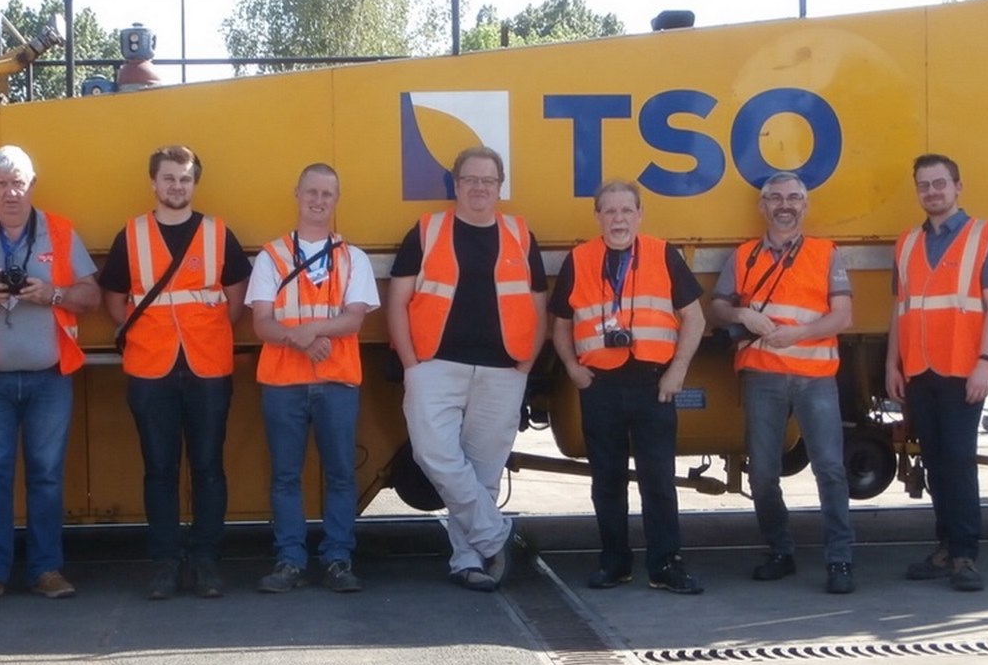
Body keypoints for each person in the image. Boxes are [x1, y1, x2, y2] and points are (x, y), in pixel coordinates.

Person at [0, 145, 100, 603]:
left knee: (46, 475)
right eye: (2, 184)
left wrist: (51, 295)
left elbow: (90, 297)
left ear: (33, 184)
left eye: (19, 183)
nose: (11, 193)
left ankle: (46, 569)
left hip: (50, 376)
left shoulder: (60, 231)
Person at [385, 146, 547, 592]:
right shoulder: (427, 230)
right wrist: (411, 364)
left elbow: (539, 307)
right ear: (456, 185)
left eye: (488, 180)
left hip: (503, 370)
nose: (479, 188)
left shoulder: (519, 234)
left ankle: (470, 561)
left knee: (483, 472)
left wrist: (525, 365)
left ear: (499, 187)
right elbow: (397, 301)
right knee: (432, 454)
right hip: (435, 365)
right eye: (471, 180)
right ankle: (496, 535)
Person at [99, 145, 251, 599]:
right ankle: (165, 562)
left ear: (194, 183)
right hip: (151, 367)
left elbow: (237, 292)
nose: (177, 186)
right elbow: (113, 296)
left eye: (185, 179)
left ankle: (205, 562)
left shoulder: (218, 233)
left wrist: (213, 331)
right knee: (159, 469)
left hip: (208, 366)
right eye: (168, 178)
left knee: (208, 468)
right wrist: (139, 332)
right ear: (154, 182)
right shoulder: (132, 235)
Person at [550, 179, 706, 594]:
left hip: (654, 384)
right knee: (607, 479)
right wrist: (572, 368)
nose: (618, 219)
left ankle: (665, 565)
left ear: (640, 214)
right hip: (600, 384)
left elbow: (695, 318)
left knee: (659, 480)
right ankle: (614, 562)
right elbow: (560, 324)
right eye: (610, 211)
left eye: (626, 211)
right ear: (598, 216)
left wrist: (678, 371)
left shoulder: (663, 254)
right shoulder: (579, 259)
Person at [710, 172, 855, 594]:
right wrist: (741, 314)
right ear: (763, 206)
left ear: (804, 205)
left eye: (793, 197)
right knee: (762, 474)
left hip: (815, 378)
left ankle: (840, 559)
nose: (784, 205)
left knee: (830, 469)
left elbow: (843, 316)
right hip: (763, 376)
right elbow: (717, 307)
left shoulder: (826, 253)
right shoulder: (744, 257)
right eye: (775, 198)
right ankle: (780, 551)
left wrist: (798, 334)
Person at [247, 163, 379, 593]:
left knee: (341, 474)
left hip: (337, 382)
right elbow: (261, 323)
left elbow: (354, 319)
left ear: (336, 200)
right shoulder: (271, 256)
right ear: (298, 194)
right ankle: (290, 560)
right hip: (283, 384)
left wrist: (308, 332)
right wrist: (304, 341)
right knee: (286, 476)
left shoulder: (353, 258)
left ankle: (338, 559)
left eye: (327, 194)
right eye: (312, 192)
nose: (319, 201)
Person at [886, 153, 988, 592]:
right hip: (919, 370)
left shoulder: (982, 236)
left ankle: (964, 555)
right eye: (924, 185)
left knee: (958, 461)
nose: (932, 192)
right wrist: (891, 364)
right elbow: (900, 309)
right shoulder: (907, 243)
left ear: (958, 187)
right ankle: (944, 547)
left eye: (940, 183)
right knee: (936, 462)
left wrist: (985, 364)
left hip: (963, 370)